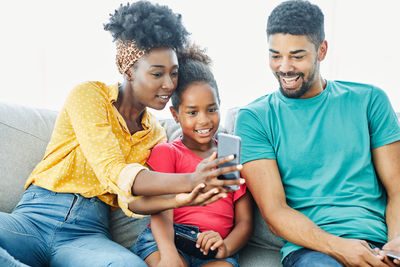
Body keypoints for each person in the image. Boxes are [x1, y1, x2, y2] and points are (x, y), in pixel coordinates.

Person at [0, 1, 243, 266]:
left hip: (88, 233)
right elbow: (112, 168)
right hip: (35, 216)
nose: (169, 84)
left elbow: (135, 201)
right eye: (157, 73)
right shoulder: (89, 96)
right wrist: (191, 179)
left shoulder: (156, 136)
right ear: (129, 71)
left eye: (173, 74)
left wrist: (181, 198)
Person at [235, 0, 400, 266]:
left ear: (322, 50)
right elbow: (275, 213)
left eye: (297, 56)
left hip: (380, 244)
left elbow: (398, 189)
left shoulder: (370, 100)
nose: (284, 67)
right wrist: (339, 248)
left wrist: (396, 242)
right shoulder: (255, 118)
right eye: (275, 55)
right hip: (314, 251)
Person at [131, 46, 253, 267]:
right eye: (193, 112)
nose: (204, 121)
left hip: (214, 247)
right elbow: (161, 209)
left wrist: (225, 246)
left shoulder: (229, 158)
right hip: (168, 240)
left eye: (212, 109)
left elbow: (244, 222)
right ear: (175, 114)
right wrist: (168, 255)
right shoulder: (166, 152)